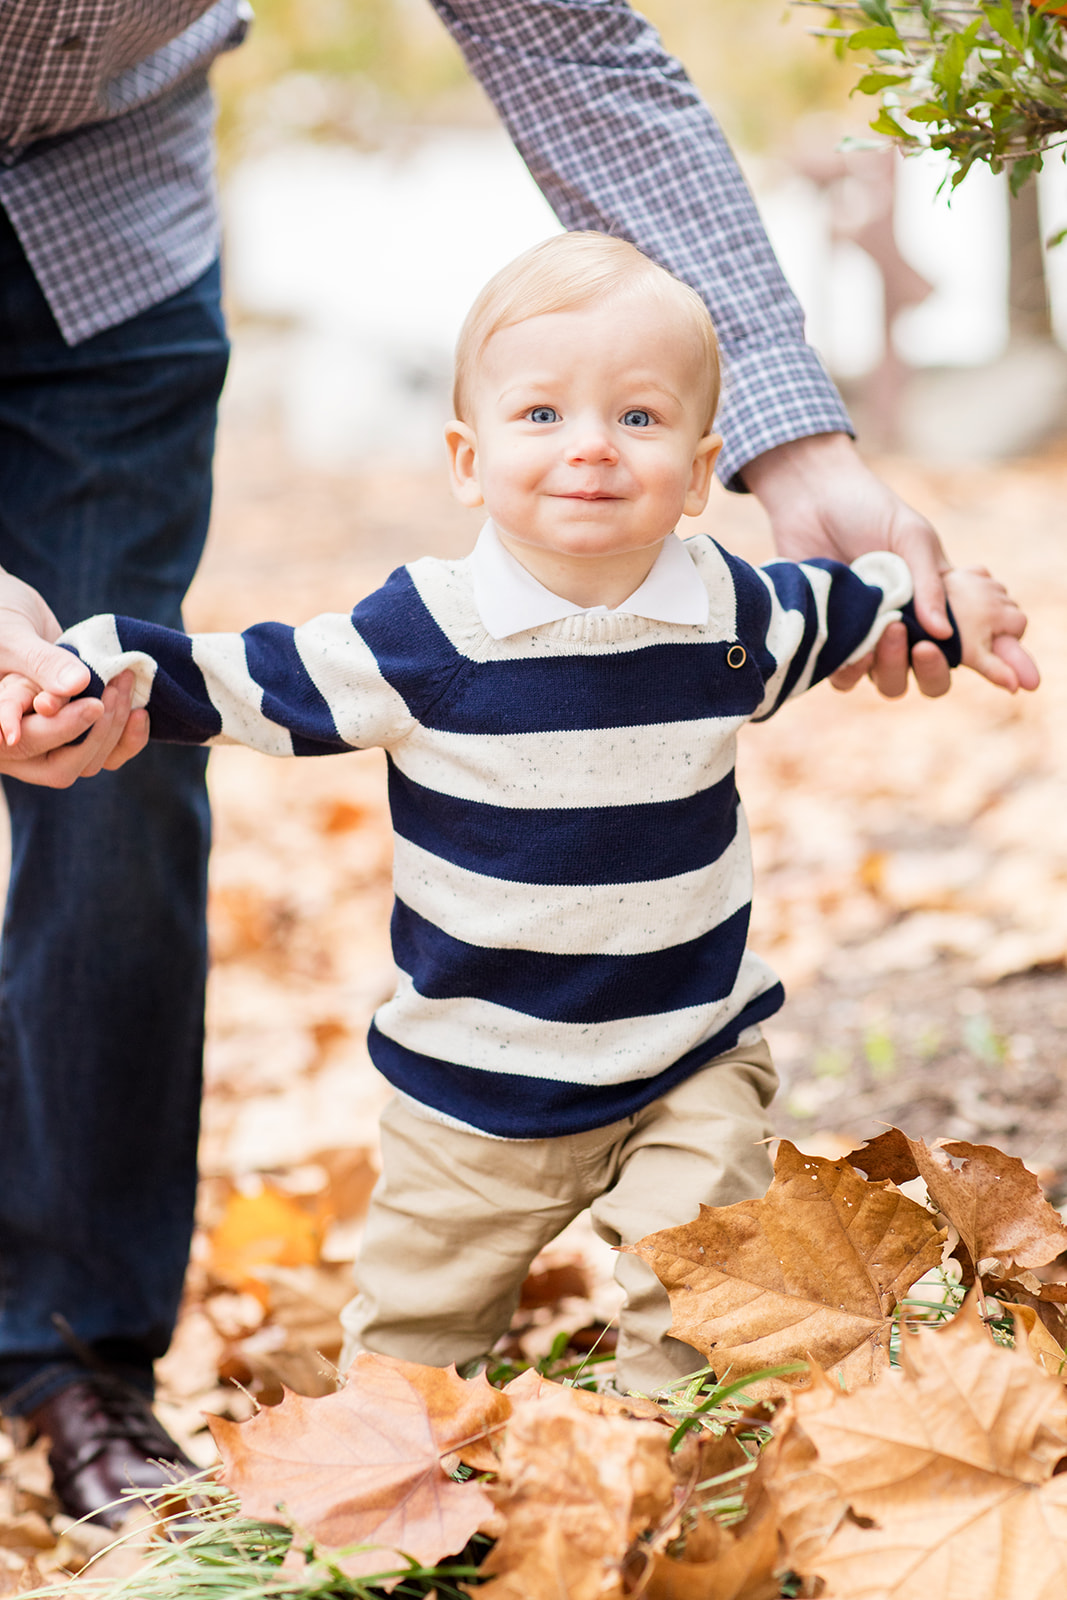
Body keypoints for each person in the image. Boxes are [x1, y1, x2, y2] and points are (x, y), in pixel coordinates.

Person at [0, 0, 1009, 1527]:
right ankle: (367, 1506)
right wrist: (123, 666)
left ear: (693, 463)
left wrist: (919, 579)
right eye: (542, 415)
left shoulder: (732, 608)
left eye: (638, 419)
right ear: (465, 456)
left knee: (707, 1276)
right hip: (470, 1093)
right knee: (410, 1352)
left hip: (685, 1056)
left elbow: (848, 605)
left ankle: (666, 1486)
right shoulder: (426, 632)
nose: (591, 447)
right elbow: (259, 678)